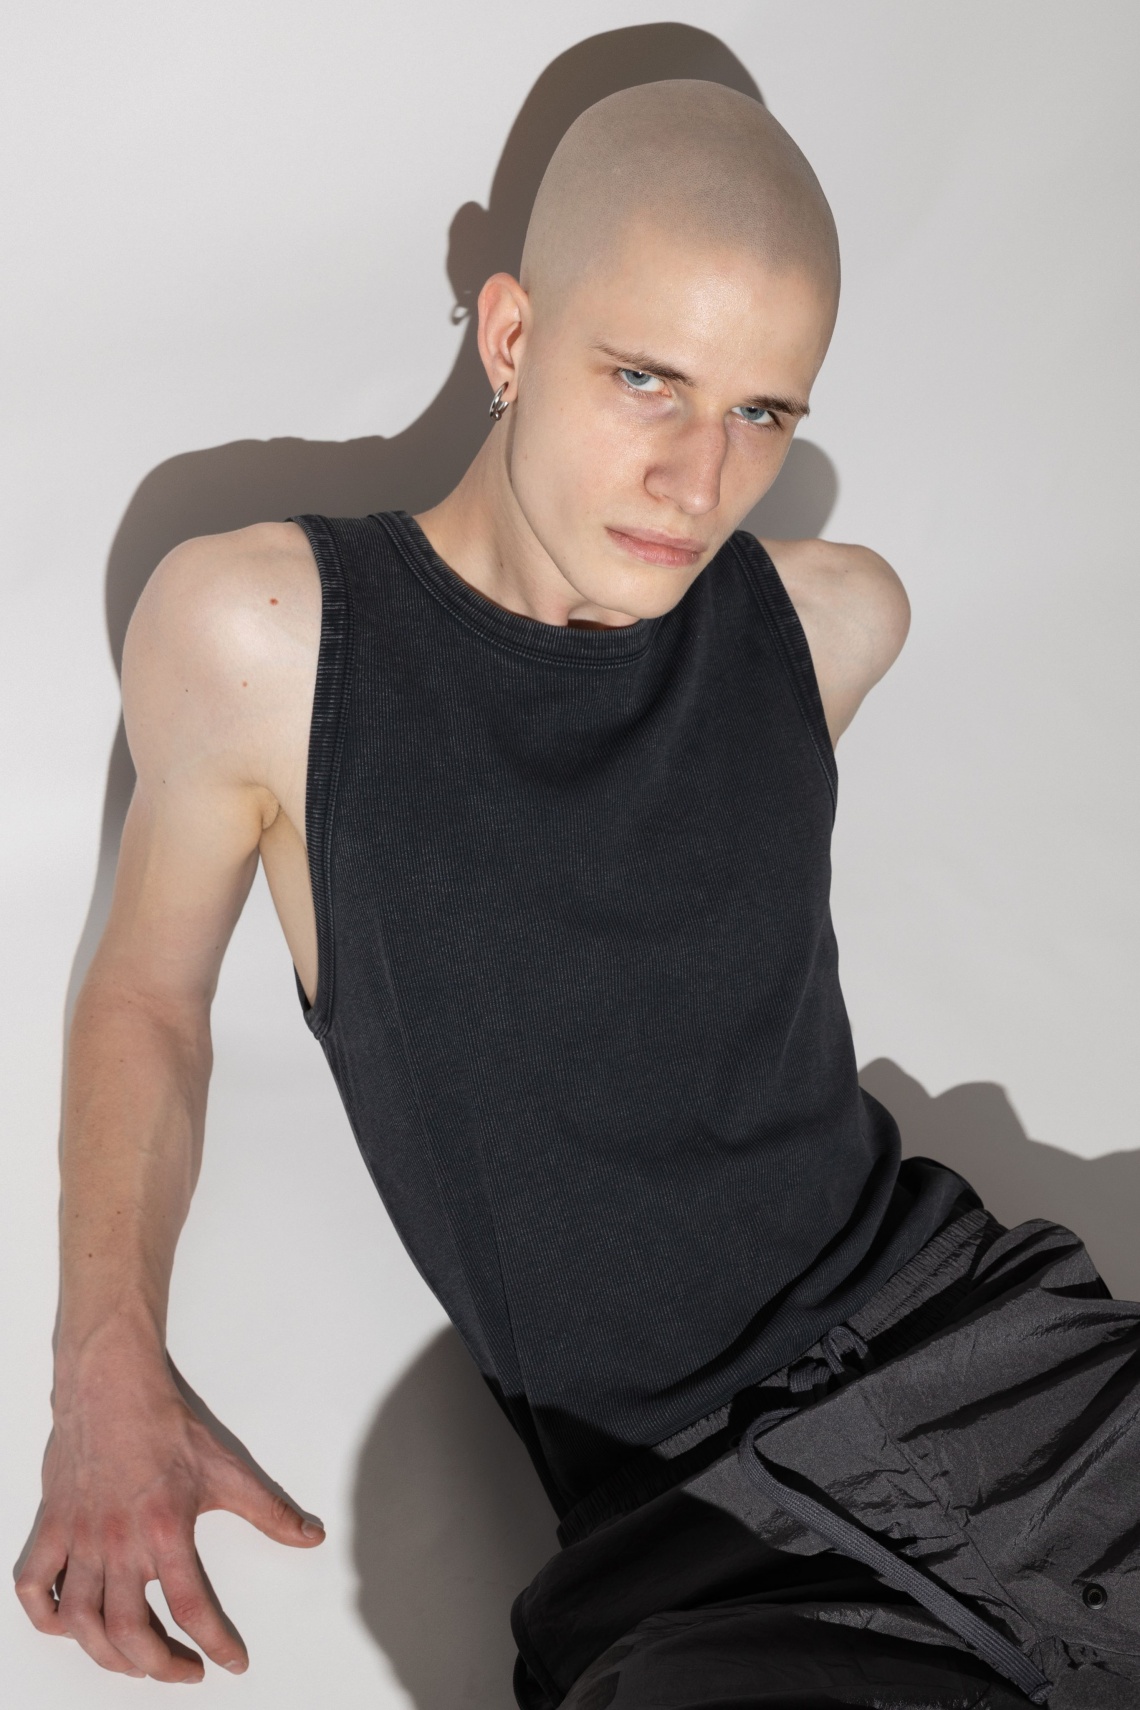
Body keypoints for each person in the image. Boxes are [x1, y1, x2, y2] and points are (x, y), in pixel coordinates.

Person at [14, 79, 1140, 1708]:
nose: (700, 478)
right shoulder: (269, 637)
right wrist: (103, 1374)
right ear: (512, 334)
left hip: (1010, 1380)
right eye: (646, 379)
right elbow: (145, 998)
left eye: (764, 413)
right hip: (700, 1527)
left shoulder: (831, 625)